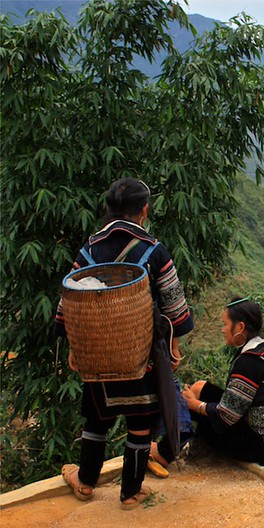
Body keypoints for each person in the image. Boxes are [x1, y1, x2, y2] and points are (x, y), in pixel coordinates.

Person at [55, 177, 194, 509]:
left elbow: (68, 304)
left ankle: (86, 481)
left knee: (96, 419)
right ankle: (130, 492)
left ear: (108, 210)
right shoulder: (154, 250)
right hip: (142, 355)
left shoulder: (88, 251)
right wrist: (173, 345)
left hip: (99, 355)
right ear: (144, 211)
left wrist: (77, 346)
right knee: (140, 423)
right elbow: (175, 308)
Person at [157, 297, 264, 467]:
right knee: (200, 387)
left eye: (225, 324)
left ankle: (164, 453)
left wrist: (195, 405)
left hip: (262, 445)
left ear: (240, 327)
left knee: (187, 404)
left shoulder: (249, 362)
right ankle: (177, 443)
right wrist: (197, 401)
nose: (223, 330)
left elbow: (226, 416)